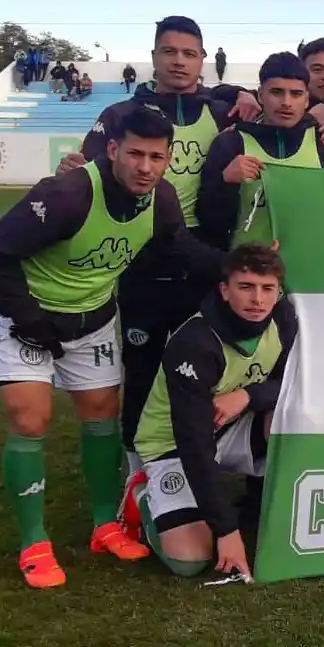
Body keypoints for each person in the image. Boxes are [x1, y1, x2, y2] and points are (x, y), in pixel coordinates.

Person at [0, 108, 224, 588]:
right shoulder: (67, 194)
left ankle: (104, 526)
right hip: (28, 316)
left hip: (92, 318)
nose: (145, 167)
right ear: (112, 150)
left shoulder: (162, 200)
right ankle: (34, 542)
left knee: (101, 419)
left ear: (168, 159)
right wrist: (29, 319)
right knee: (30, 420)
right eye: (134, 153)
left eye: (156, 157)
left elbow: (182, 250)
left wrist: (235, 267)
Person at [59, 18, 240, 461]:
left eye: (189, 53)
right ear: (154, 56)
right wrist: (71, 173)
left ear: (202, 59)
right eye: (169, 51)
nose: (179, 61)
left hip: (205, 256)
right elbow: (92, 177)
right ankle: (137, 472)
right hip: (142, 259)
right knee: (142, 366)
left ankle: (197, 467)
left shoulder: (223, 111)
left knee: (206, 365)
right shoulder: (120, 116)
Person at [128, 243, 296, 580]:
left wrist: (248, 395)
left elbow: (296, 384)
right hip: (174, 445)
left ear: (278, 293)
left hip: (232, 426)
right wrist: (227, 532)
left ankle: (263, 501)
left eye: (267, 289)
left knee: (287, 415)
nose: (257, 300)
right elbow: (194, 445)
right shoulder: (195, 342)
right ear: (224, 290)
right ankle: (143, 495)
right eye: (245, 287)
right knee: (189, 560)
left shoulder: (282, 319)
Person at [196, 52, 324, 248]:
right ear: (261, 95)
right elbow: (208, 221)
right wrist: (225, 183)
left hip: (312, 267)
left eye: (296, 94)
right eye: (277, 92)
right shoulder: (230, 144)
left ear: (307, 99)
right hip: (250, 271)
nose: (286, 102)